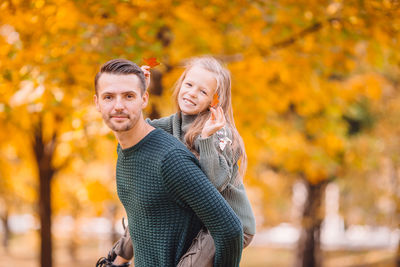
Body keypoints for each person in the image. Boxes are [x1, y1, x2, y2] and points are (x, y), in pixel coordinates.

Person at [107, 56, 256, 267]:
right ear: (181, 84)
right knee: (148, 199)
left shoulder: (220, 133)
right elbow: (138, 134)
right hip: (195, 215)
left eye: (202, 91)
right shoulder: (171, 124)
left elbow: (213, 184)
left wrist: (205, 140)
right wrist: (138, 93)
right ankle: (117, 260)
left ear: (215, 100)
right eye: (189, 84)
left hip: (226, 225)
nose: (192, 93)